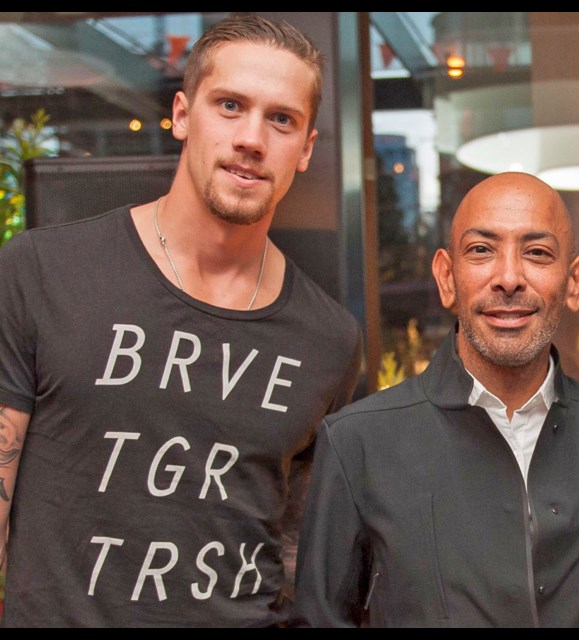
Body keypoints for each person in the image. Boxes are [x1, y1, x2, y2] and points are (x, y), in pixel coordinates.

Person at [0, 15, 362, 627]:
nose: (252, 138)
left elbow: (300, 545)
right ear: (183, 114)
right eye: (229, 105)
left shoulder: (329, 338)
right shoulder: (43, 270)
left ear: (305, 148)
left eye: (282, 119)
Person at [290, 171, 579, 627]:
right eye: (481, 250)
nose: (508, 278)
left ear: (575, 282)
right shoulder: (358, 442)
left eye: (537, 253)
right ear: (446, 277)